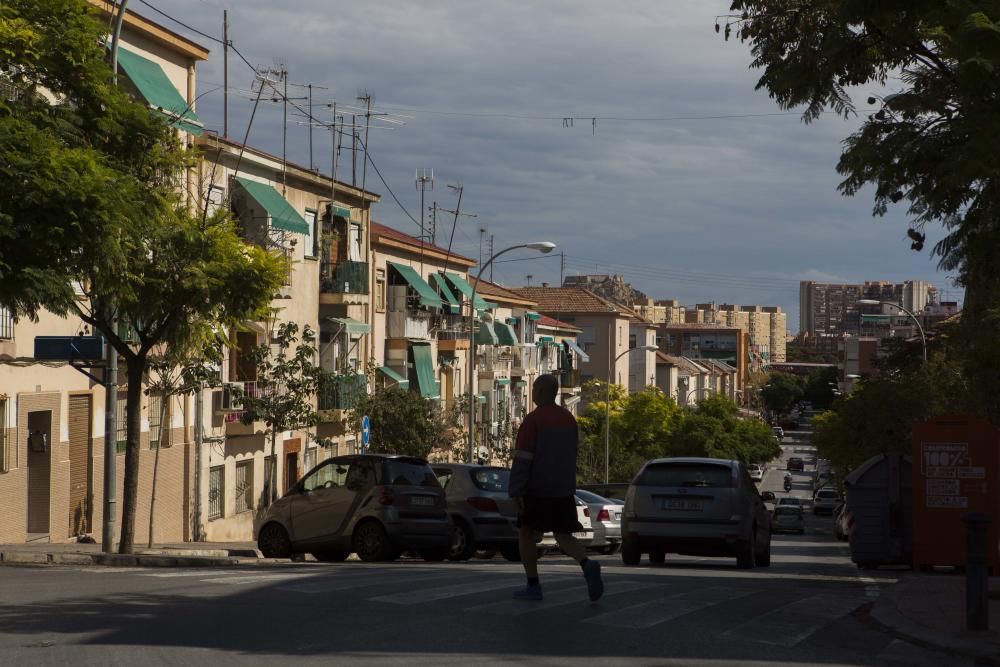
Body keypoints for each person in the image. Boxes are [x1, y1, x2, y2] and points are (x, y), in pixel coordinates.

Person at [508, 373, 603, 602]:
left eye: (533, 389)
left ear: (540, 392)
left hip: (537, 489)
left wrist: (516, 490)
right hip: (563, 489)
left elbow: (523, 459)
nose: (531, 393)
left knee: (526, 533)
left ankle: (533, 585)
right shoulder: (569, 420)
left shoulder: (533, 420)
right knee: (563, 534)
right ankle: (587, 564)